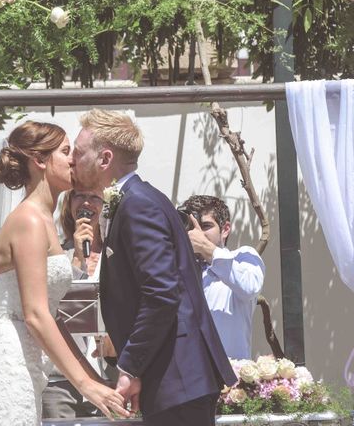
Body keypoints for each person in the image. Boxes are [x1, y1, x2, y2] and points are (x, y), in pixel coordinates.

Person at [0, 121, 129, 425]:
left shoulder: (43, 220)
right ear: (40, 161)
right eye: (66, 152)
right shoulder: (29, 221)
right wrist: (85, 385)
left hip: (27, 367)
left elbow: (51, 315)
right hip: (6, 367)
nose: (74, 159)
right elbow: (35, 314)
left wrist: (96, 380)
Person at [71, 109, 237, 426]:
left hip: (177, 377)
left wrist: (129, 366)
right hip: (173, 377)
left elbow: (161, 293)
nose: (71, 160)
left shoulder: (138, 205)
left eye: (78, 153)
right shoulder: (135, 200)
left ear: (105, 159)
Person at [42, 188, 118, 419]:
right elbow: (50, 307)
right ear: (69, 204)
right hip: (62, 382)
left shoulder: (118, 256)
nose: (87, 202)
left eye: (95, 197)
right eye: (79, 196)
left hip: (109, 375)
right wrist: (76, 256)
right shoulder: (54, 257)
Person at [179, 195, 265, 360]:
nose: (197, 233)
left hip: (230, 378)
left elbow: (250, 287)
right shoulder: (178, 267)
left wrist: (206, 248)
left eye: (205, 226)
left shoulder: (243, 257)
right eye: (191, 227)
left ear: (225, 229)